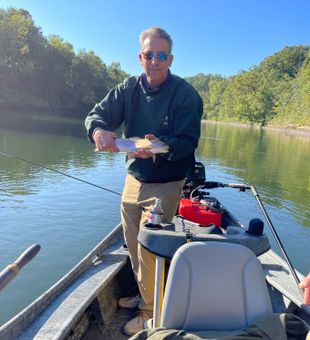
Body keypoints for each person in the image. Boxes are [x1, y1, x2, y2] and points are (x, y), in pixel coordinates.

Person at [85, 27, 203, 336]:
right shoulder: (128, 88)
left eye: (161, 55)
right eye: (149, 55)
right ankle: (144, 291)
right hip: (134, 177)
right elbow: (97, 115)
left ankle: (151, 313)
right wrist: (99, 132)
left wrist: (160, 147)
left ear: (170, 59)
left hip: (166, 181)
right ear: (141, 57)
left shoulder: (185, 94)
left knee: (151, 247)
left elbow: (188, 140)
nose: (154, 61)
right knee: (133, 244)